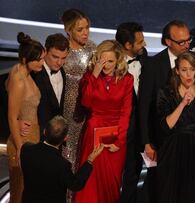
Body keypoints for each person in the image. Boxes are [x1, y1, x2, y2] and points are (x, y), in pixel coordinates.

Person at [138, 19, 195, 203]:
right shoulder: (153, 65)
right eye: (181, 42)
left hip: (192, 143)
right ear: (168, 41)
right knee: (162, 187)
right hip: (163, 139)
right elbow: (144, 107)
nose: (186, 45)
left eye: (188, 40)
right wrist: (147, 142)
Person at [75, 40, 133, 203]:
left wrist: (119, 140)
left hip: (116, 136)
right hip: (93, 132)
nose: (106, 65)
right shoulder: (90, 77)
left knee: (112, 183)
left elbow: (125, 112)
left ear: (118, 60)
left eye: (110, 61)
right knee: (91, 181)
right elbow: (86, 102)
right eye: (102, 60)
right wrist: (94, 74)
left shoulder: (127, 79)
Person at [156, 52, 195, 203]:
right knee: (169, 193)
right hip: (172, 149)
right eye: (184, 70)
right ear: (177, 71)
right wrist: (182, 104)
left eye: (192, 69)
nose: (188, 74)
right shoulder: (166, 92)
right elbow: (165, 126)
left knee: (194, 193)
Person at [20, 116, 104, 203]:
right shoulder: (62, 164)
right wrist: (89, 160)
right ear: (65, 138)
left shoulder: (26, 149)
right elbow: (75, 184)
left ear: (44, 131)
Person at [6, 32, 45, 203]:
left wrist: (21, 117)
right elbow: (11, 116)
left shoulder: (20, 70)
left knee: (29, 191)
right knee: (20, 194)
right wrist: (21, 149)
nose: (42, 63)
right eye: (38, 60)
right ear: (24, 59)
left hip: (32, 137)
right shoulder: (19, 79)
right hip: (22, 141)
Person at [115, 21, 148, 203]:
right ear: (128, 45)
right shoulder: (112, 65)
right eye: (140, 41)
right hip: (119, 130)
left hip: (139, 129)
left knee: (134, 173)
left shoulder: (145, 59)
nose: (144, 45)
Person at [61, 8, 96, 168]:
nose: (85, 32)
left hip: (86, 109)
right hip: (65, 110)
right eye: (80, 29)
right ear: (68, 30)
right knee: (66, 154)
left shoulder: (92, 49)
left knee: (83, 153)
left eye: (87, 27)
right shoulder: (61, 49)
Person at [32, 33, 69, 141]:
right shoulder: (34, 73)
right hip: (36, 135)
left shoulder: (62, 72)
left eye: (63, 58)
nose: (59, 62)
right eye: (55, 57)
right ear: (45, 51)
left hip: (54, 138)